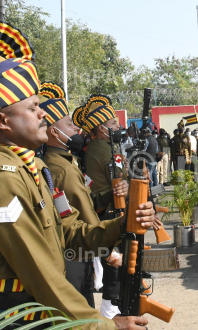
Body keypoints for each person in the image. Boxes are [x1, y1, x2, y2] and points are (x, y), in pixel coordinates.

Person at [0, 21, 154, 329]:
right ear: (1, 120)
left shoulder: (34, 169)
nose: (43, 114)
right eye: (33, 108)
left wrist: (123, 224)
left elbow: (68, 233)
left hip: (43, 316)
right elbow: (38, 272)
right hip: (14, 320)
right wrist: (106, 325)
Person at [42, 82, 117, 310]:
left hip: (81, 247)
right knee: (80, 309)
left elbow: (84, 200)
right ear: (54, 131)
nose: (76, 128)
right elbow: (81, 210)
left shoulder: (66, 161)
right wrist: (106, 248)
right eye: (69, 124)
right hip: (74, 250)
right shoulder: (60, 167)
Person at [81, 94, 130, 318]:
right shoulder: (103, 150)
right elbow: (118, 180)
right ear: (102, 129)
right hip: (109, 209)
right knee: (115, 260)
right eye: (112, 123)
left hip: (109, 207)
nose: (117, 126)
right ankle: (110, 307)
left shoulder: (105, 147)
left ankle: (112, 303)